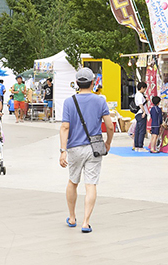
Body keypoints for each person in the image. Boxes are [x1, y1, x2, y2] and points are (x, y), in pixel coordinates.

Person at [59, 67, 114, 233]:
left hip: (74, 148)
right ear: (93, 83)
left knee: (72, 181)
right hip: (94, 148)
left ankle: (72, 217)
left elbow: (64, 127)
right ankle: (86, 222)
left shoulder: (69, 102)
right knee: (91, 185)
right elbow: (110, 126)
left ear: (76, 83)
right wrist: (108, 143)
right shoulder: (100, 100)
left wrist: (63, 150)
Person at [132, 82, 149, 152]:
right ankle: (140, 146)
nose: (145, 90)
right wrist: (144, 112)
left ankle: (136, 146)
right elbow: (140, 104)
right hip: (141, 114)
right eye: (144, 89)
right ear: (142, 88)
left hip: (138, 114)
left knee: (138, 130)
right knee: (141, 130)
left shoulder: (138, 94)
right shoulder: (139, 95)